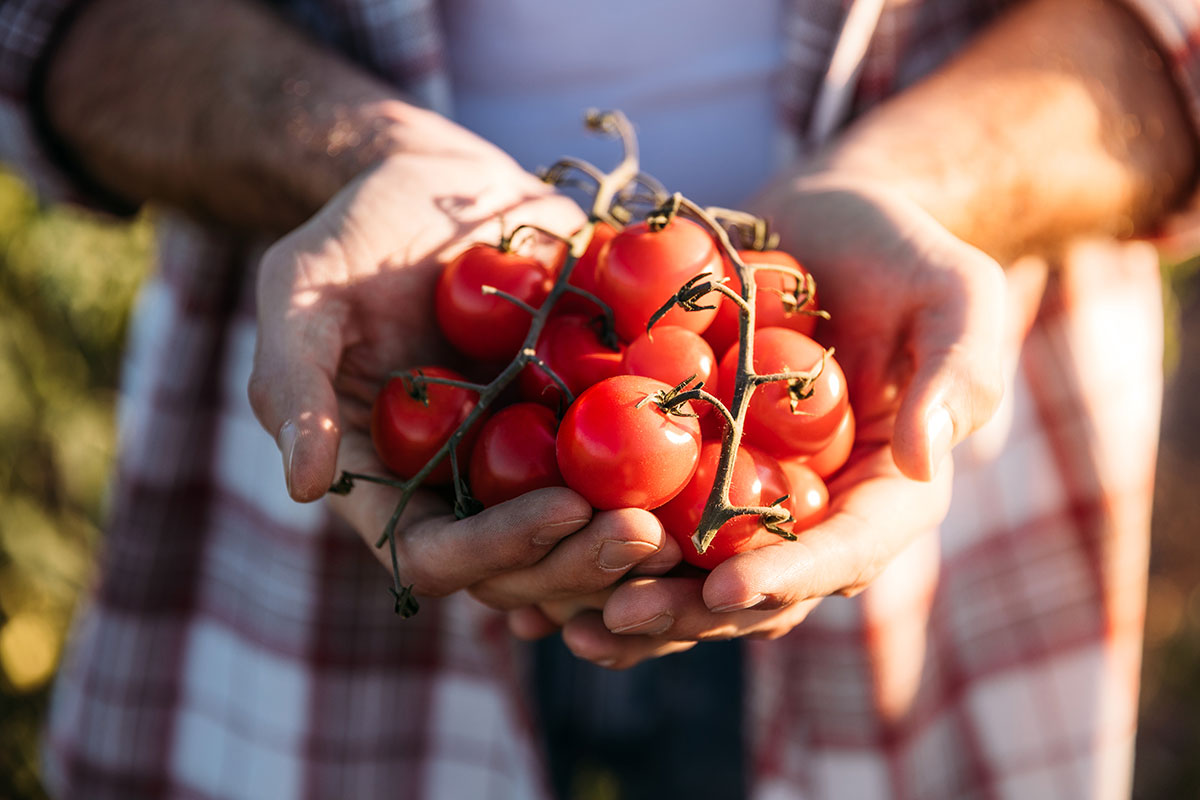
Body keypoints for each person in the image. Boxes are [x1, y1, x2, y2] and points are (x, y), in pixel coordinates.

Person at [0, 0, 1196, 797]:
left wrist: (906, 184)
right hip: (298, 549)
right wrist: (355, 156)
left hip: (945, 561)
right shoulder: (639, 385)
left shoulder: (730, 392)